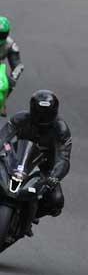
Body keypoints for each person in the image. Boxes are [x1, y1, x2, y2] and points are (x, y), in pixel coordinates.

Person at [0, 90, 72, 222]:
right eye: (39, 114)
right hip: (17, 158)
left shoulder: (61, 130)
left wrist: (55, 176)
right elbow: (3, 137)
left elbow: (63, 158)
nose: (42, 119)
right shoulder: (20, 119)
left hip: (45, 166)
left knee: (56, 201)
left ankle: (28, 218)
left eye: (46, 115)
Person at [0, 17, 23, 116]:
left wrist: (14, 76)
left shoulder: (10, 44)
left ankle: (2, 103)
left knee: (8, 82)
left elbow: (18, 65)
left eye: (1, 34)